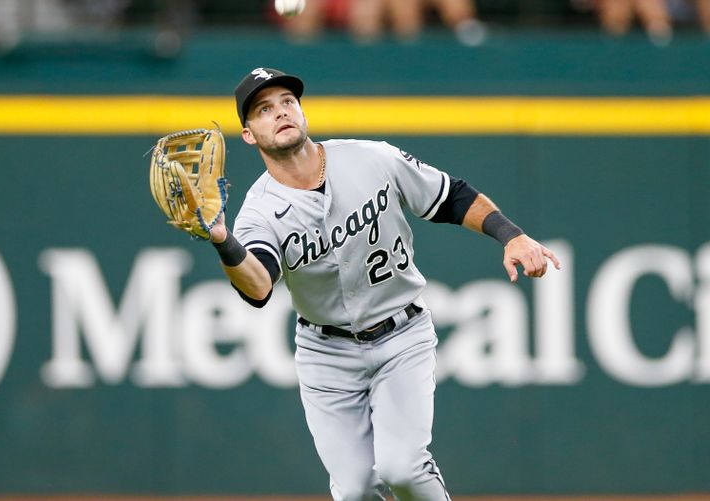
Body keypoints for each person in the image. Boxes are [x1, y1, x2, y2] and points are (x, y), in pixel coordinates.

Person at [208, 67, 560, 500]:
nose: (280, 112)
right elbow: (259, 287)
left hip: (402, 335)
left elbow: (450, 195)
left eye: (287, 102)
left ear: (302, 111)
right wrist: (224, 241)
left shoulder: (369, 158)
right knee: (355, 489)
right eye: (265, 109)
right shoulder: (258, 212)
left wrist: (512, 235)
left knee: (404, 468)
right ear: (248, 134)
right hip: (326, 353)